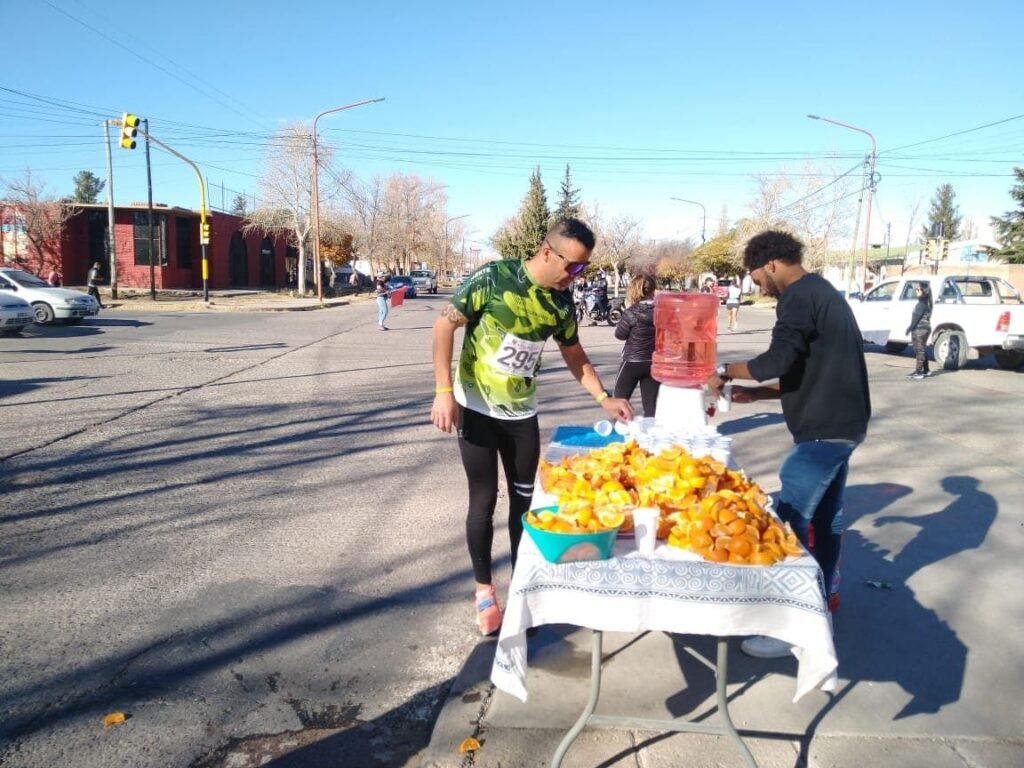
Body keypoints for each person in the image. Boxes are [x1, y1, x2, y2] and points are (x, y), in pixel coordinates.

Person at [430, 218, 634, 635]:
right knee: (483, 502)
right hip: (477, 409)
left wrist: (604, 397)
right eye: (572, 267)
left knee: (526, 506)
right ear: (547, 252)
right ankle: (485, 590)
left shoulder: (561, 304)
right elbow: (444, 325)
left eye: (583, 270)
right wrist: (443, 390)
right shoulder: (494, 277)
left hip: (523, 416)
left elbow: (575, 355)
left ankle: (524, 588)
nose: (575, 276)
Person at [708, 230, 871, 659]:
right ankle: (818, 611)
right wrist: (759, 396)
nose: (757, 285)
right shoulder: (823, 292)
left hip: (824, 431)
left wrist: (725, 370)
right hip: (844, 424)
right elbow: (809, 369)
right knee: (829, 521)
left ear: (772, 264)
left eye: (756, 277)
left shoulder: (796, 297)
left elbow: (777, 360)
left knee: (786, 525)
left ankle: (788, 626)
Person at [613, 274, 660, 417]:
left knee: (619, 401)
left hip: (632, 362)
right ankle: (650, 435)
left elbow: (620, 335)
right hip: (653, 361)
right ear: (653, 290)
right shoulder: (662, 312)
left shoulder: (630, 312)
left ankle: (620, 432)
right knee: (651, 405)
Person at [906, 282, 932, 380]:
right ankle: (926, 370)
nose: (916, 291)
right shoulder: (926, 302)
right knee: (922, 349)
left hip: (920, 329)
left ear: (923, 291)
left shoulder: (921, 303)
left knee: (919, 350)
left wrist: (910, 328)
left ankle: (919, 372)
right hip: (925, 328)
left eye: (918, 289)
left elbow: (916, 318)